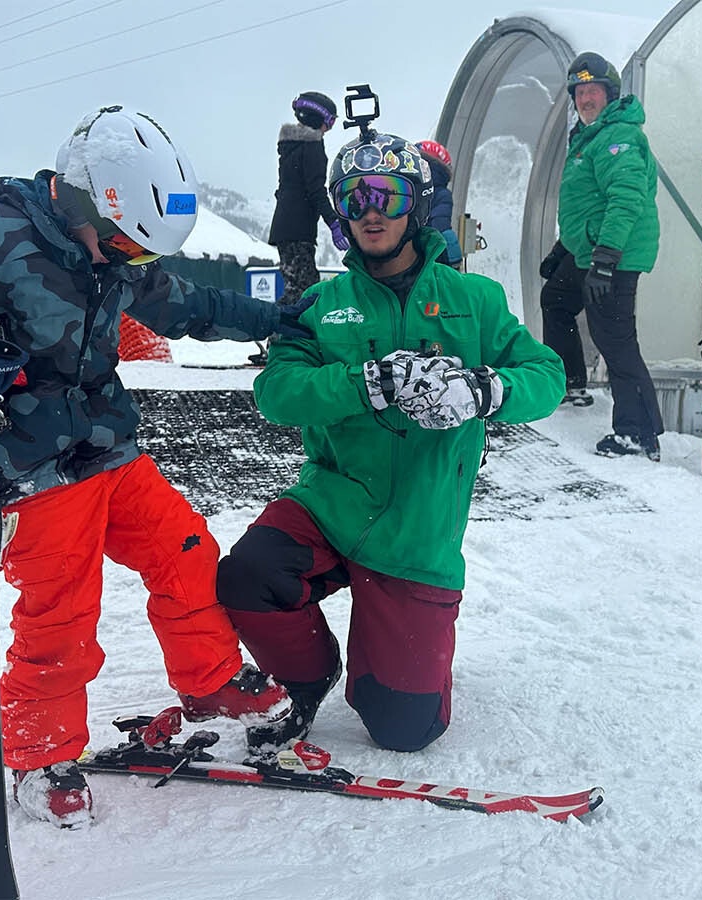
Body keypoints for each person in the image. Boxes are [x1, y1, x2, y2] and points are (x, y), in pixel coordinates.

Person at [0, 105, 310, 829]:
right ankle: (40, 755)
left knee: (188, 553)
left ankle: (210, 682)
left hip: (109, 447)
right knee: (62, 613)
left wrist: (279, 317)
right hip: (32, 463)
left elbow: (186, 306)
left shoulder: (113, 252)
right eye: (126, 246)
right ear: (79, 198)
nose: (131, 262)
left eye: (142, 253)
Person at [215, 128, 565, 756]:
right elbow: (278, 392)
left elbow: (547, 377)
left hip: (417, 531)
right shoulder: (320, 305)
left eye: (386, 193)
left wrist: (484, 392)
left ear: (414, 203)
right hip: (332, 504)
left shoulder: (475, 301)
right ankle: (309, 673)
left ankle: (389, 659)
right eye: (353, 198)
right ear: (341, 214)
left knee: (406, 729)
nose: (371, 209)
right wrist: (366, 381)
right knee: (249, 574)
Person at [537, 51, 664, 460]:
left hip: (615, 257)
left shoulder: (618, 138)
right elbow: (586, 205)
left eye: (593, 90)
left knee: (615, 339)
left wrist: (605, 261)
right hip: (589, 253)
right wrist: (563, 250)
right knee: (556, 298)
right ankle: (571, 382)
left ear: (609, 94)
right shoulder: (591, 136)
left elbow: (624, 200)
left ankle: (638, 432)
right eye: (579, 91)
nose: (586, 98)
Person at [259, 91, 346, 365]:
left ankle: (280, 336)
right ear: (321, 120)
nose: (328, 129)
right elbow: (315, 191)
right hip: (297, 230)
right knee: (303, 287)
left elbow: (286, 189)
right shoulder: (312, 147)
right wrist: (334, 221)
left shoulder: (289, 145)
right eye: (329, 123)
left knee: (299, 283)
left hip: (287, 227)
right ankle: (276, 337)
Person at [413, 139, 463, 268]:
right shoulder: (442, 194)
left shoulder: (405, 188)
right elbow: (441, 228)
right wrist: (454, 264)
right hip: (431, 258)